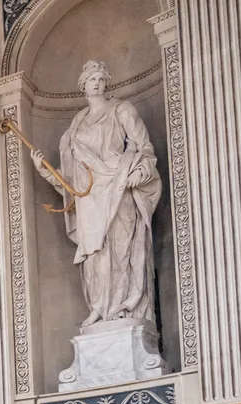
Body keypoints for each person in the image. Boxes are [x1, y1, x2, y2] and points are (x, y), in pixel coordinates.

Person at [34, 60, 162, 328]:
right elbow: (72, 180)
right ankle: (100, 308)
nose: (97, 82)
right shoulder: (77, 124)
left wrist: (139, 173)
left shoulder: (122, 110)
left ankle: (124, 307)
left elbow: (146, 149)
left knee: (121, 247)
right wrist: (46, 171)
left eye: (101, 78)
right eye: (92, 78)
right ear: (83, 85)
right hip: (90, 198)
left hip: (118, 185)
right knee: (95, 255)